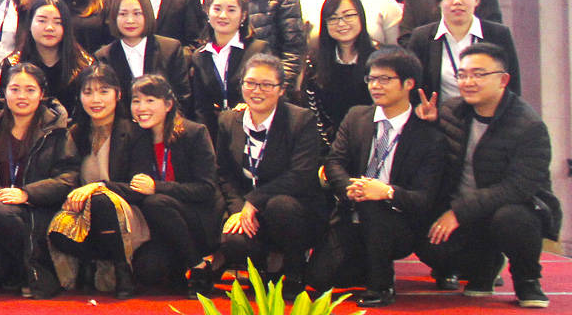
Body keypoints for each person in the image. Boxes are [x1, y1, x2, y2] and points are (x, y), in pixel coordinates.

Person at [305, 47, 448, 306]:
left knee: (375, 205)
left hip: (398, 223)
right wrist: (349, 186)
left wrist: (386, 192)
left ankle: (381, 286)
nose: (375, 86)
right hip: (351, 214)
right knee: (320, 278)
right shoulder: (356, 117)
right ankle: (367, 264)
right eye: (371, 79)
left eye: (385, 79)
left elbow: (424, 198)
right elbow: (334, 161)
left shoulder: (427, 135)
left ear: (408, 83)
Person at [419, 44, 554, 309]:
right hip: (464, 209)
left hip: (511, 209)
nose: (468, 82)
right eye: (462, 75)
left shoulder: (529, 126)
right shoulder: (450, 112)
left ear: (503, 80)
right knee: (426, 240)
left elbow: (519, 187)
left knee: (512, 218)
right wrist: (426, 125)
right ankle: (483, 266)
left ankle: (527, 279)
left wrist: (459, 212)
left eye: (478, 74)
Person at [190, 54, 325, 296]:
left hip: (293, 208)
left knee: (280, 207)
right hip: (247, 207)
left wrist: (254, 201)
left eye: (266, 85)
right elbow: (224, 173)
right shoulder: (229, 120)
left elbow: (300, 175)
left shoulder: (300, 120)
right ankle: (263, 269)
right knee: (233, 239)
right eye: (250, 83)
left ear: (281, 89)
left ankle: (294, 270)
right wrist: (239, 209)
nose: (257, 91)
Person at [0, 62, 76, 297]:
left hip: (40, 211)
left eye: (30, 90)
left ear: (42, 94)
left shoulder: (57, 129)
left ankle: (36, 269)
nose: (22, 96)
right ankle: (19, 266)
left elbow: (68, 178)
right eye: (14, 89)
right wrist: (0, 194)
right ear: (4, 92)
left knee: (1, 212)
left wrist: (27, 194)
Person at [46, 64, 152, 299]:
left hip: (125, 212)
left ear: (118, 94)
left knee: (102, 200)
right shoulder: (74, 132)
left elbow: (139, 188)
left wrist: (99, 186)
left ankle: (122, 270)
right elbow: (66, 175)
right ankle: (97, 259)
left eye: (104, 91)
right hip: (84, 213)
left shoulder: (135, 132)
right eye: (88, 92)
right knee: (56, 231)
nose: (96, 99)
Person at [124, 74, 218, 293]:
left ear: (168, 105)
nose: (141, 107)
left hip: (196, 217)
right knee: (147, 271)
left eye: (150, 100)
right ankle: (182, 264)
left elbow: (206, 188)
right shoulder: (137, 138)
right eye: (136, 101)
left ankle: (198, 266)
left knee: (156, 202)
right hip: (161, 226)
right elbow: (135, 186)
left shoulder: (194, 133)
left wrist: (157, 187)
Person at [398, 0, 522, 102]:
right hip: (439, 113)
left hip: (488, 113)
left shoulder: (498, 34)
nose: (457, 1)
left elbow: (512, 86)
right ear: (438, 1)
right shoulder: (422, 37)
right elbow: (412, 87)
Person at [187, 0, 271, 134]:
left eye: (231, 10)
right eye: (217, 9)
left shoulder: (259, 50)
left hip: (253, 128)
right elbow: (201, 107)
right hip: (215, 132)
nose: (223, 16)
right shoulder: (200, 56)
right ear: (207, 12)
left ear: (243, 15)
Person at [297, 0, 378, 139]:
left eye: (348, 16)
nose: (341, 23)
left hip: (371, 139)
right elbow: (310, 110)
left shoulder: (379, 59)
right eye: (333, 18)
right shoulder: (314, 62)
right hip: (327, 142)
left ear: (361, 17)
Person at [0, 0, 92, 114]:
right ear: (29, 24)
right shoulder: (14, 64)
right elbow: (4, 110)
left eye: (58, 22)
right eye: (42, 21)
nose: (49, 28)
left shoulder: (84, 65)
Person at [93, 0, 192, 99]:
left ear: (147, 14)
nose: (130, 20)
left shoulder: (170, 49)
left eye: (137, 13)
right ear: (114, 17)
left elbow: (183, 96)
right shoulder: (103, 57)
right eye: (123, 14)